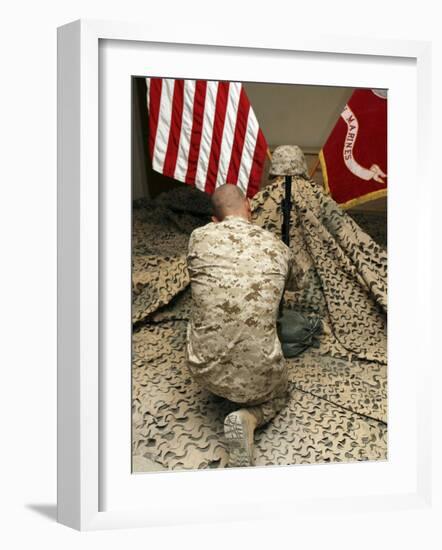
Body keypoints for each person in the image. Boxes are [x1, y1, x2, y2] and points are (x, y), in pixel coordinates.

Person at [185, 183, 302, 468]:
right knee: (282, 391)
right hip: (262, 374)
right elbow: (298, 284)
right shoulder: (278, 247)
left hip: (203, 368)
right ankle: (249, 417)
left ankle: (221, 381)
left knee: (200, 303)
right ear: (249, 206)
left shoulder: (198, 237)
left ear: (214, 220)